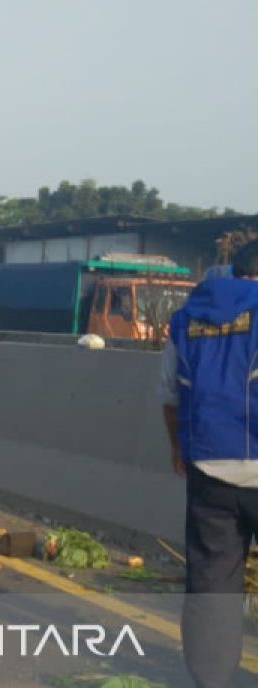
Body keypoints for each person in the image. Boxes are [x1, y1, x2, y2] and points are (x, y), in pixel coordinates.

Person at [160, 240, 258, 688]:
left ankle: (211, 680)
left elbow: (170, 395)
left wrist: (180, 449)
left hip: (210, 468)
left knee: (213, 583)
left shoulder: (186, 320)